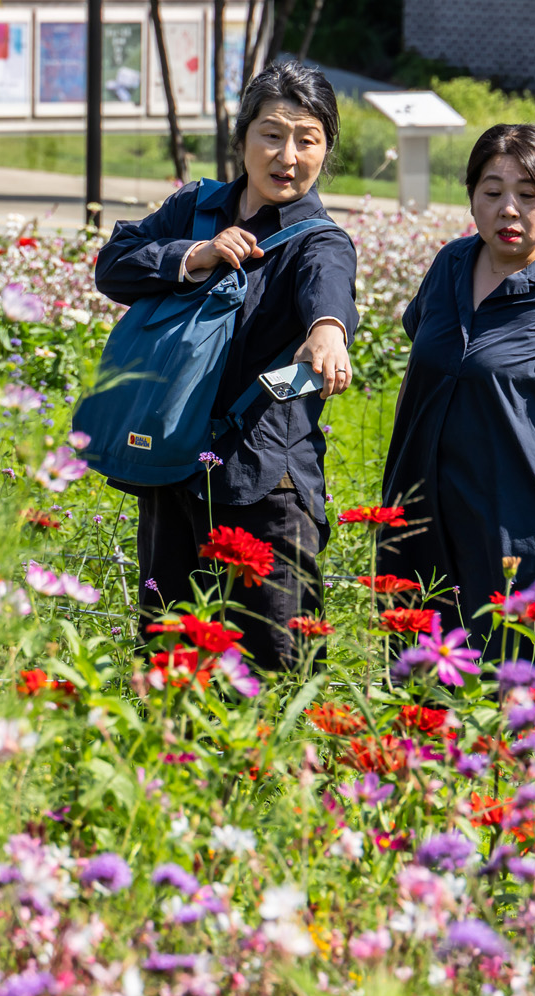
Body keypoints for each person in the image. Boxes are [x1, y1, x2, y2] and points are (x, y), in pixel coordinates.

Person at [92, 61, 357, 671]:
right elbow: (114, 265)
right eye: (271, 133)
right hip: (172, 461)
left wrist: (328, 333)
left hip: (266, 479)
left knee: (276, 663)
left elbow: (329, 291)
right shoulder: (196, 208)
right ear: (242, 140)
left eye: (307, 139)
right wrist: (195, 254)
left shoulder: (319, 238)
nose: (287, 155)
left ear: (325, 149)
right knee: (168, 655)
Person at [378, 123, 535, 650]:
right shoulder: (450, 264)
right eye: (492, 193)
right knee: (415, 690)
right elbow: (420, 375)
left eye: (528, 195)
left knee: (517, 691)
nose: (509, 209)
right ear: (472, 197)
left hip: (515, 533)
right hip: (419, 518)